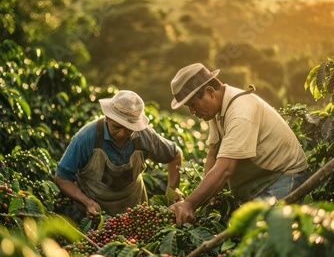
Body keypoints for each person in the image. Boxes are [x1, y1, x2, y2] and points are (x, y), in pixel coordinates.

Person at [169, 63, 310, 226]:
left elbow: (225, 168)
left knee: (268, 239)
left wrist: (190, 203)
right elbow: (212, 153)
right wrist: (209, 194)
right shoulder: (217, 110)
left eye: (193, 105)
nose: (192, 112)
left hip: (284, 177)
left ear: (210, 92)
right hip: (259, 182)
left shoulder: (240, 113)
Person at [55, 90, 183, 219]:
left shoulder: (144, 136)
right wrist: (86, 202)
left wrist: (172, 189)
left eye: (128, 129)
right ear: (108, 118)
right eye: (117, 127)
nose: (122, 133)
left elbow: (175, 155)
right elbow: (62, 177)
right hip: (94, 214)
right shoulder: (87, 137)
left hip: (134, 212)